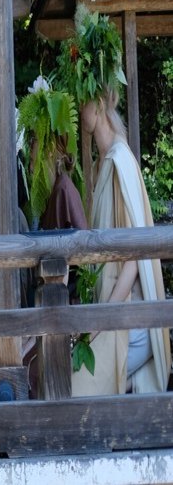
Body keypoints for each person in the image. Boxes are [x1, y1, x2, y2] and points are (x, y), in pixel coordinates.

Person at [71, 87, 171, 395]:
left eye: (82, 102)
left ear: (98, 105)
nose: (77, 110)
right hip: (113, 312)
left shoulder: (119, 161)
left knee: (74, 390)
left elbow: (133, 261)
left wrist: (101, 323)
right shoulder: (106, 162)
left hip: (129, 320)